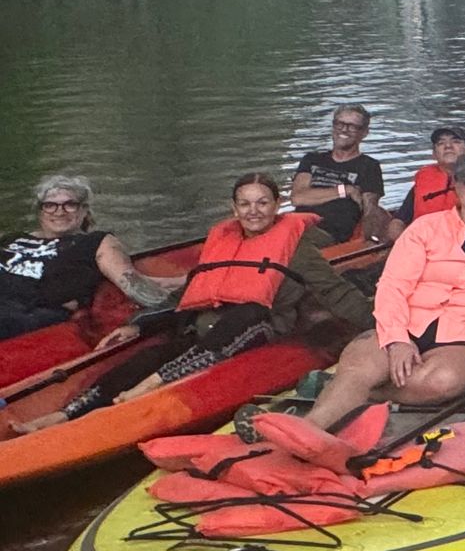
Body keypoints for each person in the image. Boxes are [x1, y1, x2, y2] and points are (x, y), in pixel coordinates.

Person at [12, 176, 371, 432]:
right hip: (207, 323)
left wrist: (378, 327)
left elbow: (335, 291)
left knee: (246, 315)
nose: (254, 211)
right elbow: (187, 294)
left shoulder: (296, 247)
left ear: (277, 206)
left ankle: (147, 389)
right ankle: (67, 414)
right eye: (245, 203)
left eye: (263, 203)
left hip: (259, 324)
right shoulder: (221, 242)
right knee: (151, 352)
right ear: (234, 208)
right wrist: (140, 323)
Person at [305, 149, 465, 431]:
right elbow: (392, 286)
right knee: (361, 368)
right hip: (409, 322)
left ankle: (359, 394)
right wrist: (398, 339)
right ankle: (308, 430)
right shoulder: (424, 228)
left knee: (443, 381)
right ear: (457, 187)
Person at [1, 175, 180, 342]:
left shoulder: (94, 242)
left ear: (84, 210)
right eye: (50, 205)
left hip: (28, 312)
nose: (59, 212)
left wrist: (155, 317)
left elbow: (133, 284)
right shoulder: (12, 239)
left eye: (70, 205)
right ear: (40, 211)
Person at [291, 103, 387, 244]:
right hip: (297, 225)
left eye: (353, 126)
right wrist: (345, 190)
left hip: (327, 232)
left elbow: (370, 210)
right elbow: (298, 198)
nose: (344, 129)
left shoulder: (369, 166)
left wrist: (368, 241)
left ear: (364, 133)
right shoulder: (312, 159)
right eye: (339, 124)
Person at [390, 125, 465, 229]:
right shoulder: (424, 180)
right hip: (422, 239)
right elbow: (399, 220)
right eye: (441, 143)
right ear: (434, 154)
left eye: (456, 141)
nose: (448, 146)